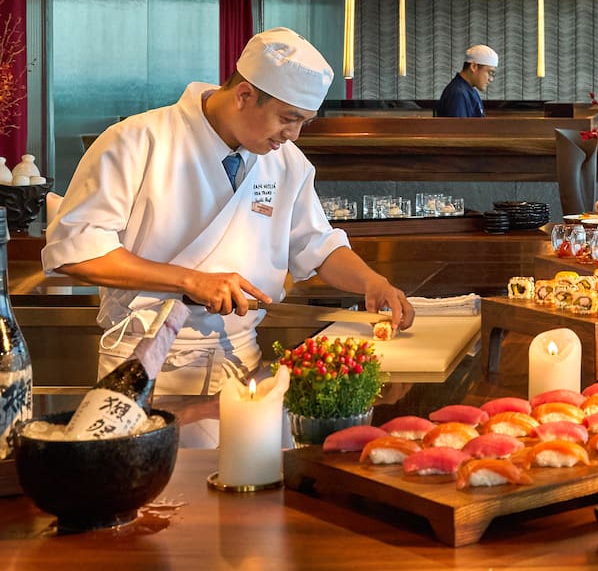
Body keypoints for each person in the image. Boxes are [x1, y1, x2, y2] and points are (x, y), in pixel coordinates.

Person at [42, 27, 412, 447]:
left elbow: (316, 244)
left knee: (261, 499)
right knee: (158, 502)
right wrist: (189, 280)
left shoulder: (286, 162)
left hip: (242, 366)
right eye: (288, 119)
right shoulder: (136, 141)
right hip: (145, 365)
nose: (293, 135)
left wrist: (371, 282)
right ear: (244, 95)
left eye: (303, 123)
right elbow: (75, 252)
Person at [436, 44, 498, 118]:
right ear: (474, 67)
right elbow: (458, 128)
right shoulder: (458, 94)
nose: (490, 79)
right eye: (489, 72)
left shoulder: (469, 91)